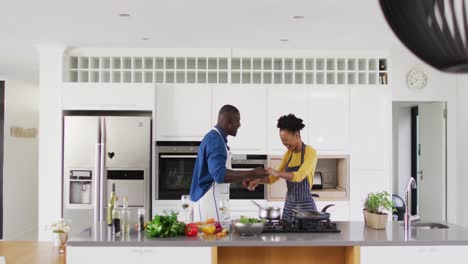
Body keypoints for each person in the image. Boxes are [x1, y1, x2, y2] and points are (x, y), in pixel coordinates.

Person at [189, 104, 268, 222]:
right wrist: (253, 173)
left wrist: (243, 177)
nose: (239, 124)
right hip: (210, 204)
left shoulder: (217, 138)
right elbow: (220, 175)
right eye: (237, 120)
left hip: (215, 203)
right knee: (212, 238)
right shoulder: (215, 140)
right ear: (229, 121)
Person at [244, 114, 318, 222]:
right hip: (289, 206)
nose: (284, 144)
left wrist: (277, 172)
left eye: (286, 140)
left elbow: (299, 176)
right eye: (282, 140)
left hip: (306, 208)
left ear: (297, 135)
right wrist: (257, 181)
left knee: (306, 237)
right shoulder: (288, 155)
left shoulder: (310, 152)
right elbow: (273, 178)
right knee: (286, 237)